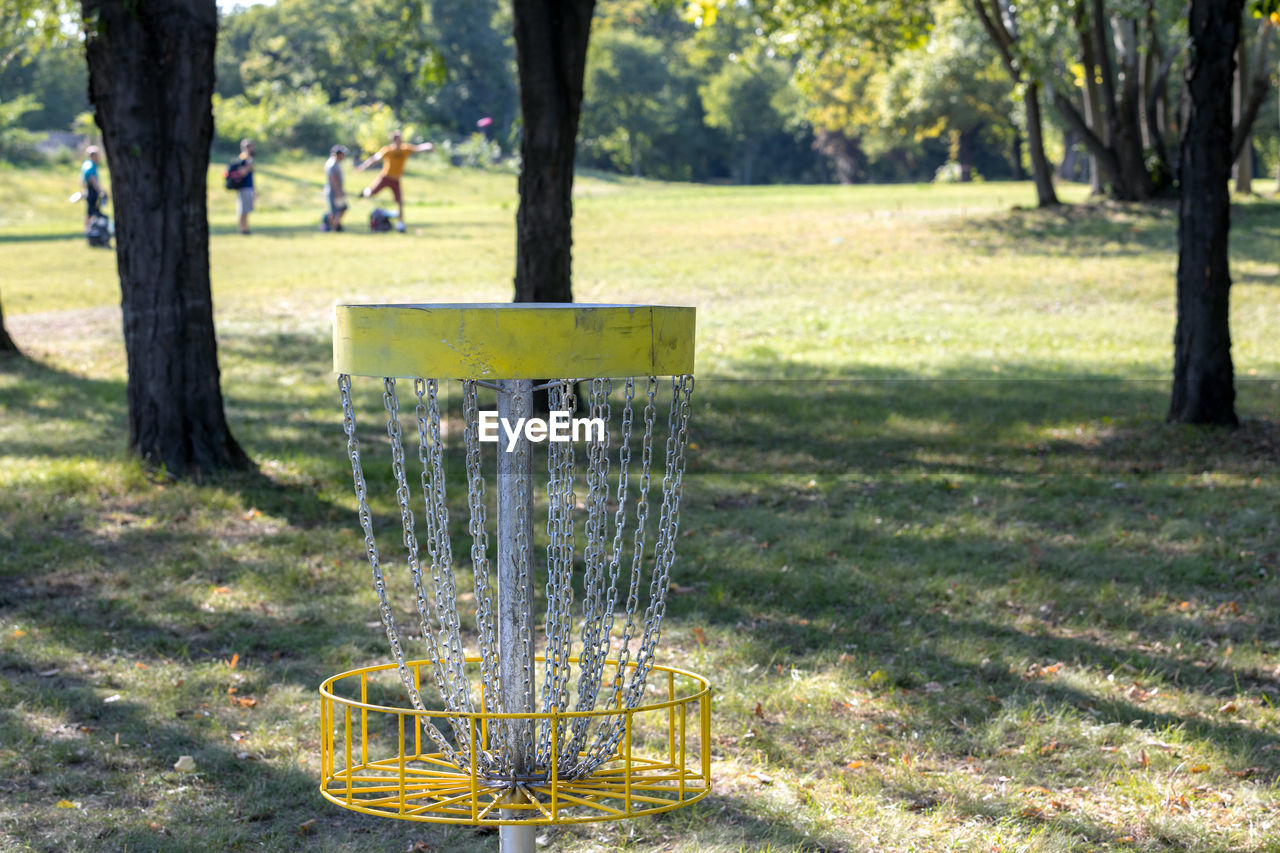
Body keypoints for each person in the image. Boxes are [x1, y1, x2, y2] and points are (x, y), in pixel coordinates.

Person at [355, 130, 434, 230]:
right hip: (385, 177)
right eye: (398, 140)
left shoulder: (405, 149)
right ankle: (365, 191)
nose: (399, 142)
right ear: (393, 140)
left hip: (396, 180)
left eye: (400, 140)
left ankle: (400, 224)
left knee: (399, 202)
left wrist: (428, 146)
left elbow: (418, 149)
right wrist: (363, 166)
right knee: (371, 193)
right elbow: (375, 159)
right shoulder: (388, 150)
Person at [229, 139, 256, 235]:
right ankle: (242, 229)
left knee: (246, 210)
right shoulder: (243, 159)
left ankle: (245, 228)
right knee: (243, 210)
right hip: (244, 187)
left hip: (249, 187)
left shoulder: (248, 159)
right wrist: (249, 165)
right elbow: (242, 172)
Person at [323, 145, 348, 232]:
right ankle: (333, 227)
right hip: (333, 191)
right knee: (335, 211)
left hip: (336, 191)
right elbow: (333, 178)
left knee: (342, 208)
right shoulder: (332, 163)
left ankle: (335, 226)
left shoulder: (335, 163)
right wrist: (338, 191)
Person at [81, 146, 106, 228]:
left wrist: (83, 189)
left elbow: (81, 178)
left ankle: (90, 228)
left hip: (89, 190)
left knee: (91, 211)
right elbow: (92, 179)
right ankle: (89, 229)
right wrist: (99, 190)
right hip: (92, 190)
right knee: (92, 211)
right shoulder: (90, 165)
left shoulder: (86, 164)